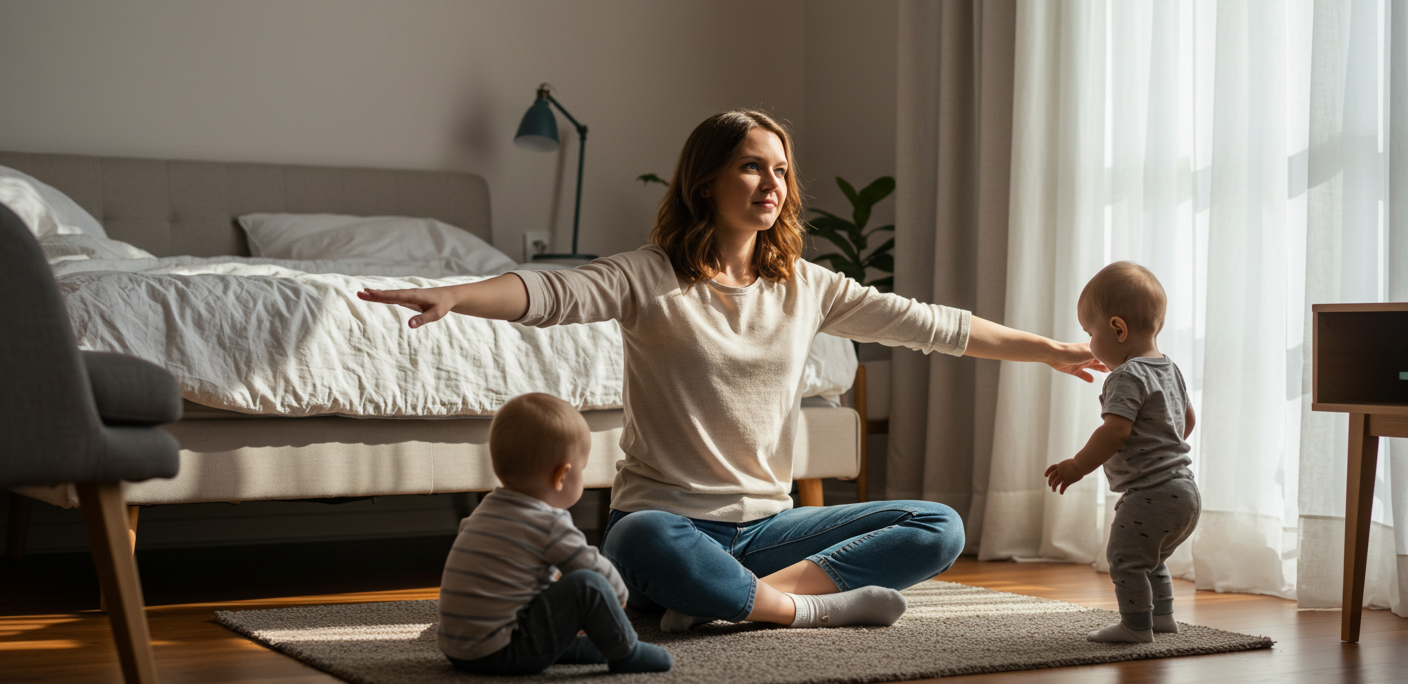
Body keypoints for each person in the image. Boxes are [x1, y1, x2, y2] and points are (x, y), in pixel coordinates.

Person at [360, 110, 1101, 634]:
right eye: (751, 165)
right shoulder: (650, 277)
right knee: (641, 541)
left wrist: (1052, 349)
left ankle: (732, 603)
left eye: (780, 169)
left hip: (767, 529)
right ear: (706, 180)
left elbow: (934, 326)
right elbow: (550, 292)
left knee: (937, 525)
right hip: (669, 524)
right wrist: (460, 294)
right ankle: (800, 609)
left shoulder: (808, 287)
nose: (770, 182)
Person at [436, 392, 672, 674]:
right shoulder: (547, 522)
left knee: (550, 599)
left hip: (459, 651)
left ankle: (580, 649)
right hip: (502, 652)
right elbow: (590, 569)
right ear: (561, 476)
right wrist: (618, 590)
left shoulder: (483, 513)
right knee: (587, 583)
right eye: (581, 471)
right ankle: (627, 652)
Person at [1044, 261, 1200, 643]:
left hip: (1151, 493)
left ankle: (1135, 626)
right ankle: (1161, 618)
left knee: (1124, 559)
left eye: (1090, 333)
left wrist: (1076, 466)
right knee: (1151, 559)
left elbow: (1115, 430)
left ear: (1117, 328)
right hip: (1185, 491)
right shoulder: (1169, 368)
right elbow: (1187, 421)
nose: (1090, 344)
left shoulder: (1126, 376)